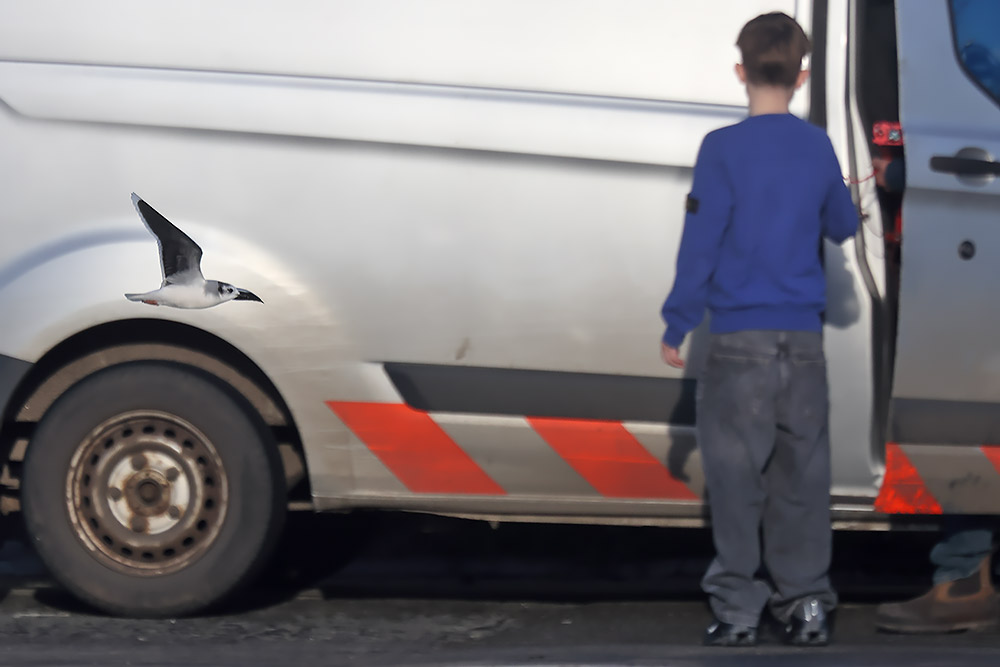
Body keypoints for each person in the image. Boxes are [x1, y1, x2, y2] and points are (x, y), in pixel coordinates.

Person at [659, 12, 859, 647]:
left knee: (737, 482)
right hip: (802, 343)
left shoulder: (721, 148)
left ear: (740, 71)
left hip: (738, 343)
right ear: (802, 78)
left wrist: (678, 320)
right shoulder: (817, 146)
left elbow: (701, 242)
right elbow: (843, 226)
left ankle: (739, 611)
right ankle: (806, 604)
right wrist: (844, 191)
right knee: (801, 480)